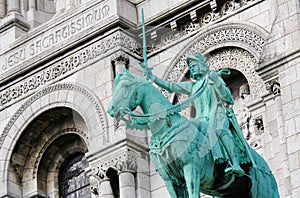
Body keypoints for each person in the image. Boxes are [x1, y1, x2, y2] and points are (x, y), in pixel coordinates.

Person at [141, 53, 246, 176]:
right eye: (191, 67)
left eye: (194, 66)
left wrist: (217, 81)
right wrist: (153, 78)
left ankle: (235, 164)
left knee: (218, 128)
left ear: (201, 66)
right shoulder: (193, 86)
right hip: (201, 119)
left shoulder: (212, 79)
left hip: (217, 114)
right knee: (188, 130)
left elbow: (228, 98)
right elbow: (171, 86)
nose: (192, 69)